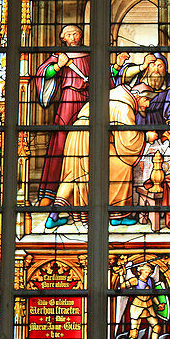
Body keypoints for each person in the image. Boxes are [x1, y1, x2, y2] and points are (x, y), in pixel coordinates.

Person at [45, 83, 152, 229]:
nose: (148, 105)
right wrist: (146, 136)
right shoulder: (124, 105)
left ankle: (53, 215)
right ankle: (117, 215)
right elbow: (128, 139)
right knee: (123, 166)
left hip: (76, 134)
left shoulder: (114, 95)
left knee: (73, 175)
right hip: (91, 136)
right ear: (138, 95)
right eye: (147, 100)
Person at [35, 24, 89, 205]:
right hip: (69, 98)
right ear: (63, 38)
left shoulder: (90, 54)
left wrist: (117, 67)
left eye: (76, 34)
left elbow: (107, 75)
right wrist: (58, 66)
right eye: (69, 34)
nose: (73, 37)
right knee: (61, 139)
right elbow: (43, 73)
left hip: (89, 99)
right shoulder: (59, 56)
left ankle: (86, 193)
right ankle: (50, 193)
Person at [113, 261, 169, 339]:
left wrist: (159, 304)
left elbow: (152, 295)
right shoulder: (135, 280)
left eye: (149, 271)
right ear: (140, 271)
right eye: (146, 271)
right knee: (134, 333)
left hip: (149, 306)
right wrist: (121, 275)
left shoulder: (150, 281)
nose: (148, 273)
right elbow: (122, 286)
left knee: (157, 327)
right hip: (137, 307)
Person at [114, 51, 170, 125]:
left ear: (165, 69)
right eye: (153, 65)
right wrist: (142, 66)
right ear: (148, 67)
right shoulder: (138, 76)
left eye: (159, 66)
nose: (156, 70)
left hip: (158, 122)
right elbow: (123, 76)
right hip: (135, 120)